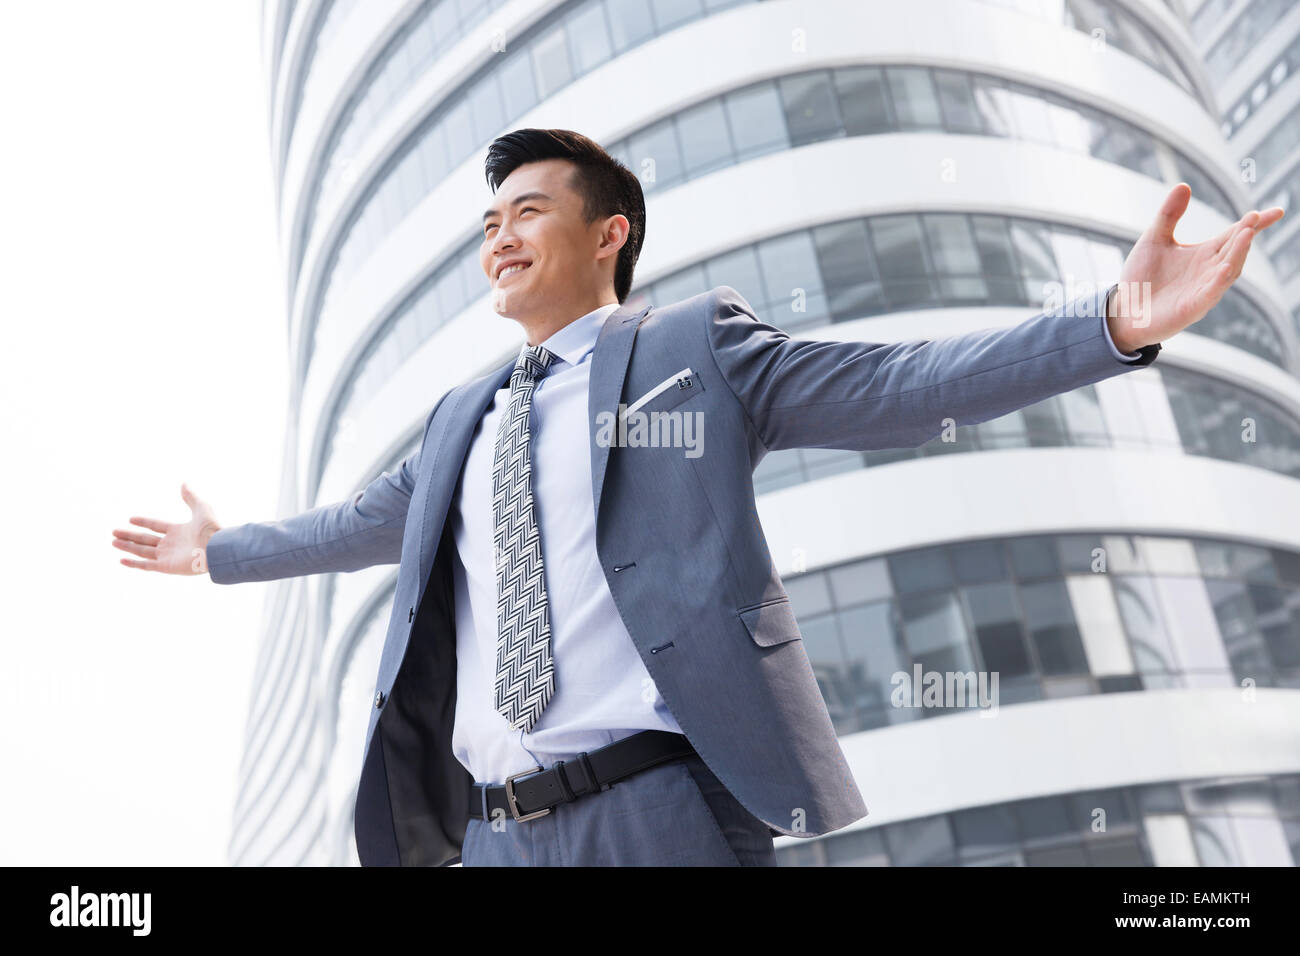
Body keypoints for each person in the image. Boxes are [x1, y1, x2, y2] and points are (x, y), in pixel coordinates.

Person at [113, 128, 1284, 866]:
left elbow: (902, 383)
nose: (498, 239)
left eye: (526, 211)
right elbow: (355, 529)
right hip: (491, 832)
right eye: (487, 223)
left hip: (655, 811)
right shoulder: (457, 422)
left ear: (607, 232)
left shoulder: (691, 350)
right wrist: (221, 551)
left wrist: (1112, 325)